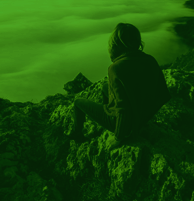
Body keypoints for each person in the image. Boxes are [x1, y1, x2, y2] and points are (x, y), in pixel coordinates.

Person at [68, 23, 171, 151]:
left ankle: (78, 134)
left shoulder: (115, 68)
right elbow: (163, 93)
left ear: (117, 44)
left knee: (78, 102)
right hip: (142, 117)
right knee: (105, 86)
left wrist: (118, 137)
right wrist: (144, 115)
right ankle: (108, 110)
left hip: (124, 124)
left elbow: (123, 109)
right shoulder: (150, 60)